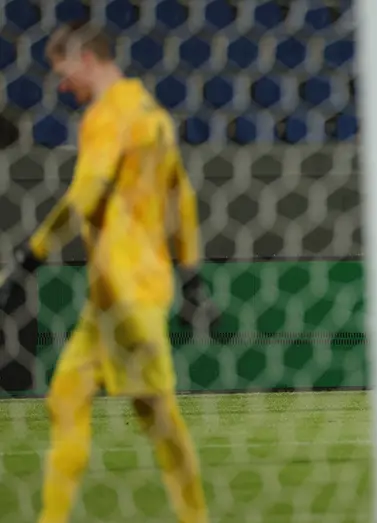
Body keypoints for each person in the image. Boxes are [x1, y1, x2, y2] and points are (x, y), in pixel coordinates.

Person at [0, 21, 216, 522]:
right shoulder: (154, 116)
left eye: (62, 70)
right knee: (67, 398)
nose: (61, 84)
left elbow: (85, 194)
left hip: (127, 290)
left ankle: (196, 517)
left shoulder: (106, 115)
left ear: (88, 59)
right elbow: (179, 199)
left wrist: (28, 259)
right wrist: (192, 279)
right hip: (116, 294)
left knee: (158, 413)